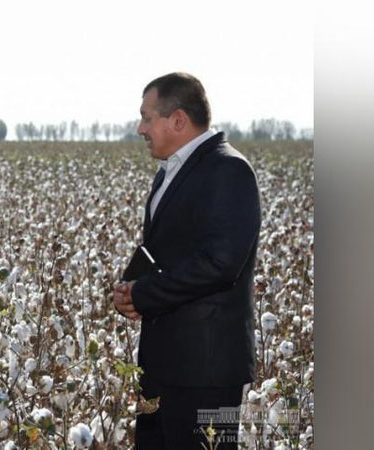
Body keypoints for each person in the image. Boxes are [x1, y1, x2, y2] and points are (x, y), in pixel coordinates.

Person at [113, 72, 261, 449]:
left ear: (178, 119)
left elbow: (221, 263)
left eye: (147, 118)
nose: (140, 128)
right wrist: (131, 289)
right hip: (161, 368)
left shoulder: (229, 170)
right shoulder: (170, 172)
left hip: (205, 374)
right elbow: (168, 252)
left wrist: (144, 294)